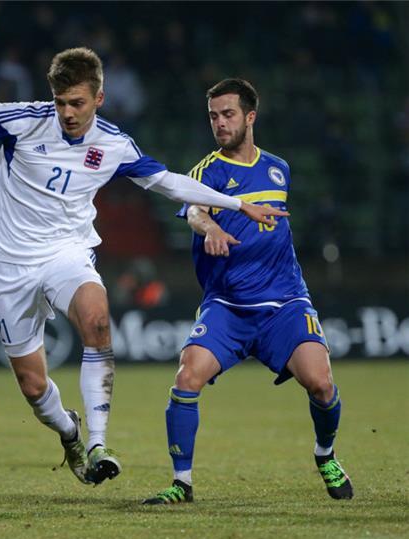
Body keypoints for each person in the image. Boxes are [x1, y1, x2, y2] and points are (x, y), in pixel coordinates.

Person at [0, 47, 287, 485]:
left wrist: (236, 204)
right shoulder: (24, 120)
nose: (67, 112)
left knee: (97, 318)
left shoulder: (114, 144)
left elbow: (167, 183)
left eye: (77, 103)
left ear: (99, 99)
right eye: (60, 101)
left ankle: (101, 444)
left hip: (66, 253)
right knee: (32, 386)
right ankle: (71, 433)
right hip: (9, 266)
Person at [142, 78, 352, 504]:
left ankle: (325, 454)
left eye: (228, 114)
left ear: (250, 117)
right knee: (186, 377)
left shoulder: (279, 168)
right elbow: (195, 213)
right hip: (229, 305)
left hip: (285, 302)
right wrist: (212, 227)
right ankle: (182, 483)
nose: (219, 123)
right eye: (213, 116)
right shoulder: (209, 170)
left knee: (322, 384)